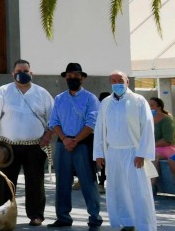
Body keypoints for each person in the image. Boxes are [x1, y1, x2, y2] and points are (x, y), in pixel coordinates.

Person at [0, 58, 54, 226]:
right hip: (7, 146)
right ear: (13, 74)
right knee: (4, 183)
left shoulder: (42, 93)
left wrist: (47, 136)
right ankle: (3, 215)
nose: (22, 74)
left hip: (35, 146)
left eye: (25, 71)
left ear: (31, 73)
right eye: (18, 72)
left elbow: (54, 118)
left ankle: (36, 215)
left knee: (35, 182)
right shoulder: (2, 91)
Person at [93, 71, 156, 231]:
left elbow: (147, 127)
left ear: (127, 82)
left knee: (139, 190)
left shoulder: (138, 101)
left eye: (120, 80)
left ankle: (145, 225)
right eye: (113, 81)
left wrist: (142, 153)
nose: (117, 83)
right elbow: (100, 128)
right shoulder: (106, 102)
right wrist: (99, 153)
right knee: (117, 189)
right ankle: (127, 222)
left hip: (133, 152)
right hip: (113, 152)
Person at [48, 62, 102, 229]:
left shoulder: (91, 99)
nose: (72, 78)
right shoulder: (59, 98)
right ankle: (63, 217)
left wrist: (75, 140)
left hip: (83, 144)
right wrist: (65, 139)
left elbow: (92, 123)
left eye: (76, 75)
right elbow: (54, 122)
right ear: (65, 77)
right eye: (69, 76)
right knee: (62, 181)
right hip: (63, 144)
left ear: (82, 78)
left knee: (88, 181)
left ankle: (95, 217)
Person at [150, 97, 175, 185]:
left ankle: (152, 184)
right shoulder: (149, 120)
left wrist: (153, 145)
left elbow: (168, 139)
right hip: (153, 147)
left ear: (159, 107)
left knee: (153, 156)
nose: (150, 108)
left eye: (152, 105)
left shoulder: (167, 120)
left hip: (167, 148)